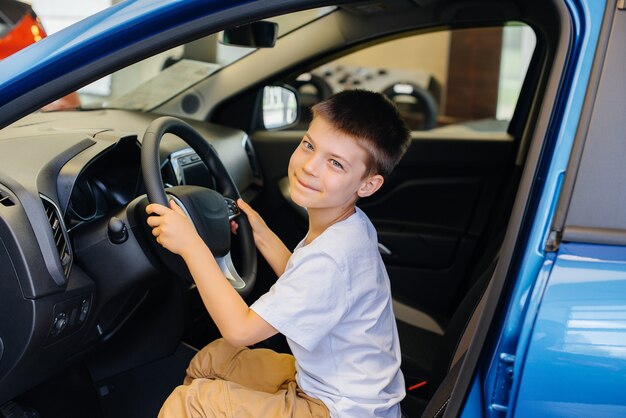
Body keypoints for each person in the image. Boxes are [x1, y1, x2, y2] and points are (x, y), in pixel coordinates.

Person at [147, 89, 411, 417]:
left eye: (335, 163)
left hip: (337, 409)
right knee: (212, 360)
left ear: (367, 185)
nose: (310, 167)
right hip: (331, 387)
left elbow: (240, 330)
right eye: (309, 145)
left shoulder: (331, 257)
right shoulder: (350, 226)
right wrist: (261, 234)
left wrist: (191, 245)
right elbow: (307, 285)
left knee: (192, 402)